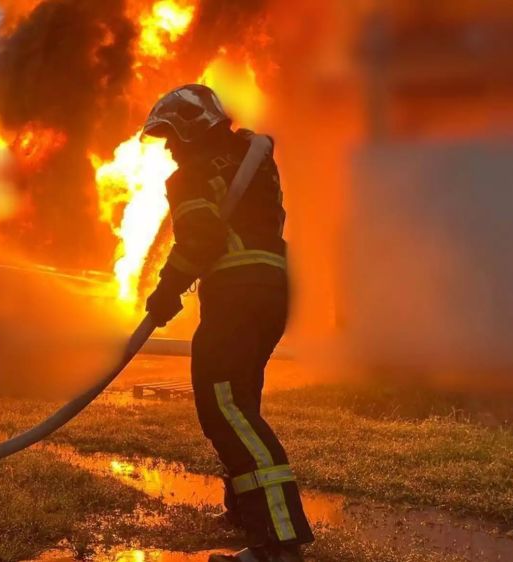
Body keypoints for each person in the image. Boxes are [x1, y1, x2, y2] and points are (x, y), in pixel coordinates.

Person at [141, 85, 314, 562]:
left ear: (194, 129)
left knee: (225, 409)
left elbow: (202, 239)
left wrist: (165, 290)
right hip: (272, 294)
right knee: (240, 400)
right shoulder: (254, 158)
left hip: (236, 295)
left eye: (172, 137)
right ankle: (245, 514)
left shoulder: (189, 176)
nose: (170, 149)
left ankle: (278, 542)